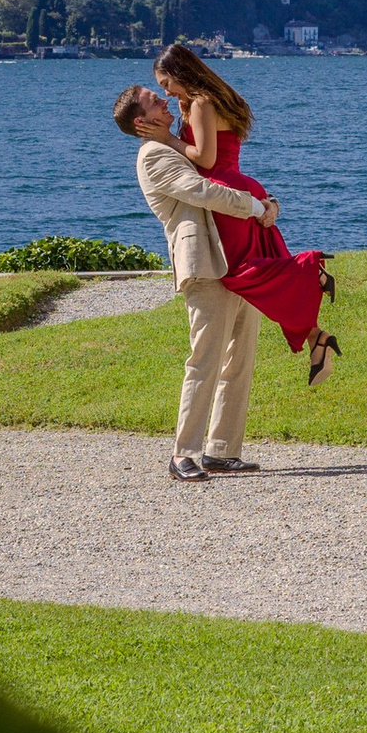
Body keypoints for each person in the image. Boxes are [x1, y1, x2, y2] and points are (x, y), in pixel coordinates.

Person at [113, 77, 274, 484]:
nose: (165, 100)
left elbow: (217, 169)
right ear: (141, 122)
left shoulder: (169, 144)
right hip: (203, 264)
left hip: (233, 258)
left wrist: (263, 201)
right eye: (154, 100)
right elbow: (202, 190)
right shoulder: (153, 156)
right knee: (204, 360)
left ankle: (221, 450)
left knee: (240, 358)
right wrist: (255, 207)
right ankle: (183, 453)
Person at [157, 40, 339, 385]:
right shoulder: (215, 98)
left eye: (166, 84)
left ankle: (309, 268)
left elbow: (206, 159)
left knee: (236, 273)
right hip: (241, 185)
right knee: (264, 260)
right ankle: (317, 337)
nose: (165, 92)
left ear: (180, 74)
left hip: (226, 194)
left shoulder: (200, 103)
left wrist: (169, 139)